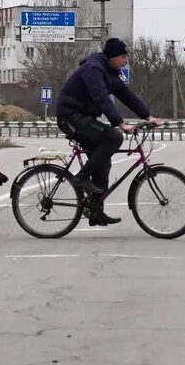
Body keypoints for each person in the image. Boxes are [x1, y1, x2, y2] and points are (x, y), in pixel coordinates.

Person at [55, 38, 163, 225]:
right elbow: (100, 98)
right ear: (112, 57)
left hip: (84, 119)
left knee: (103, 163)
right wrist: (120, 123)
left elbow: (127, 95)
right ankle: (81, 178)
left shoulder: (111, 72)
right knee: (113, 136)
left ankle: (96, 211)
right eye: (122, 57)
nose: (125, 60)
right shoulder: (93, 69)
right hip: (70, 117)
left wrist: (148, 116)